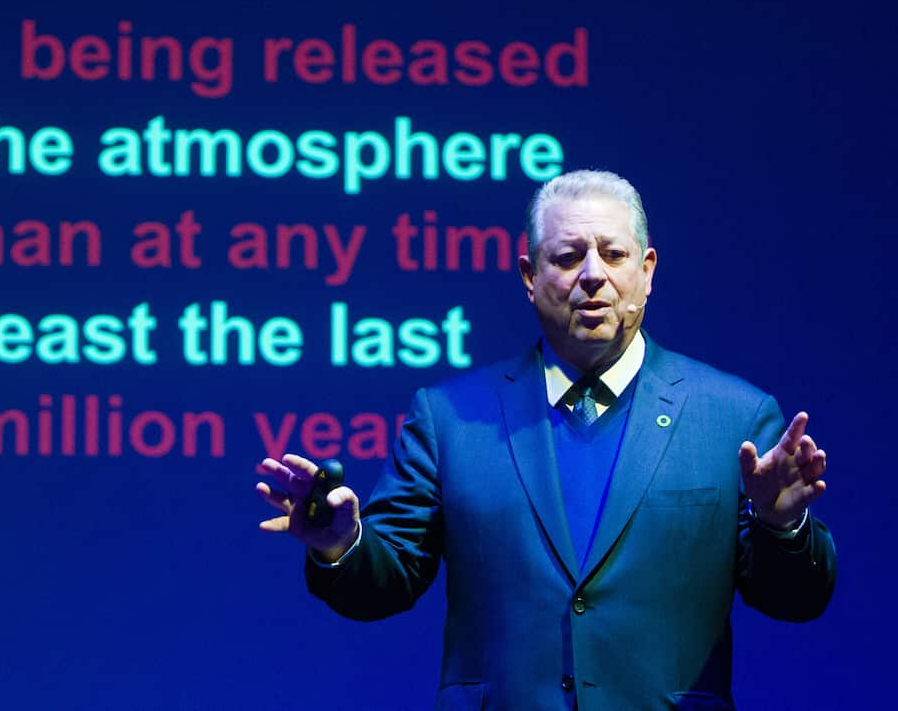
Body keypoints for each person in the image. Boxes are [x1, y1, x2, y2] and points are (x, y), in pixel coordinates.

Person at [256, 170, 836, 710]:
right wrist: (341, 543)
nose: (592, 274)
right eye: (567, 256)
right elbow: (383, 584)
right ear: (530, 278)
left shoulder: (734, 417)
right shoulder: (451, 418)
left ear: (648, 270)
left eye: (613, 254)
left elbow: (796, 600)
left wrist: (780, 527)